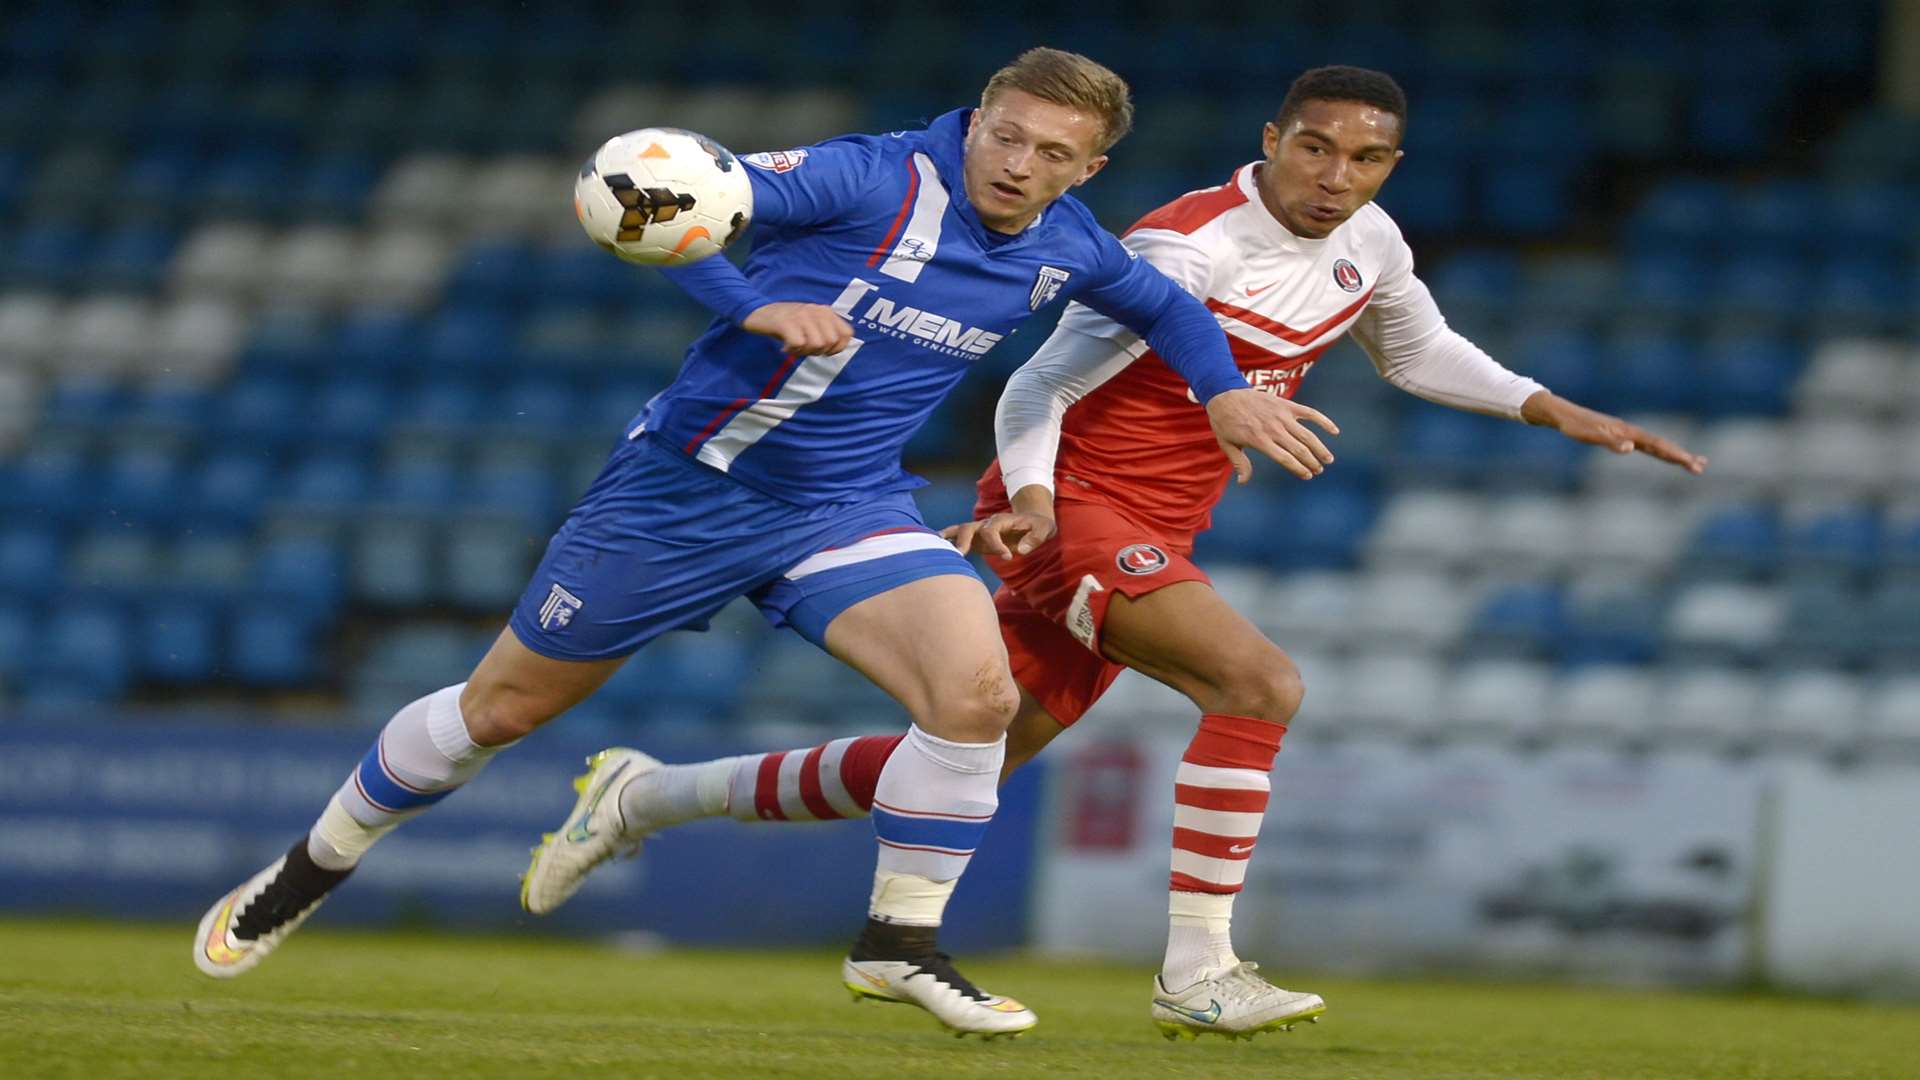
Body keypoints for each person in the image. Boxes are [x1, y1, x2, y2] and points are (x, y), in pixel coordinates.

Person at [541, 65, 1708, 1041]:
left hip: (1154, 524)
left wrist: (1560, 412)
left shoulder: (1372, 243)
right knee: (1256, 683)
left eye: (1363, 161)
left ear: (1388, 170)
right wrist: (1040, 501)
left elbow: (1419, 351)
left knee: (964, 757)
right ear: (1273, 141)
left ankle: (647, 797)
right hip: (1077, 509)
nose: (1334, 178)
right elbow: (1038, 381)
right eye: (1314, 151)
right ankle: (1199, 969)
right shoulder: (1190, 246)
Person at [190, 48, 1333, 1040]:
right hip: (683, 493)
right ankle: (306, 872)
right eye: (1007, 134)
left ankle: (897, 944)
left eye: (1051, 153)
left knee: (976, 693)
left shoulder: (1068, 246)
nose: (1018, 163)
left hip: (846, 503)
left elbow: (1168, 308)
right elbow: (671, 202)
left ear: (1087, 171)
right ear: (977, 122)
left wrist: (1223, 392)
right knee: (500, 712)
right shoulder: (866, 173)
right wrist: (746, 305)